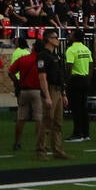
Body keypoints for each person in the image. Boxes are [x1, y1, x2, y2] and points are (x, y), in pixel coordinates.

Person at [33, 31, 70, 160]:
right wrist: (47, 95)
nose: (57, 40)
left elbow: (60, 76)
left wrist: (63, 93)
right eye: (55, 37)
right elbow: (42, 77)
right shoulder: (43, 56)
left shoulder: (56, 56)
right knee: (47, 121)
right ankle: (41, 150)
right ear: (48, 39)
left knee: (58, 122)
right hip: (50, 89)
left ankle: (57, 149)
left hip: (58, 90)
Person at [6, 36, 42, 153]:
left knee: (21, 118)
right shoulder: (41, 61)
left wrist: (17, 82)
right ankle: (39, 144)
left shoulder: (23, 59)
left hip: (23, 90)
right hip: (37, 90)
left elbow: (10, 72)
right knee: (39, 118)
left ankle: (17, 142)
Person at [64, 30, 93, 142]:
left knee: (76, 108)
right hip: (85, 79)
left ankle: (77, 133)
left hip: (75, 80)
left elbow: (69, 67)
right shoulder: (86, 49)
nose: (69, 36)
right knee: (84, 107)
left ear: (75, 37)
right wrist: (89, 79)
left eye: (71, 35)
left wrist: (66, 82)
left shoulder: (71, 50)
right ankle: (86, 133)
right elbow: (91, 65)